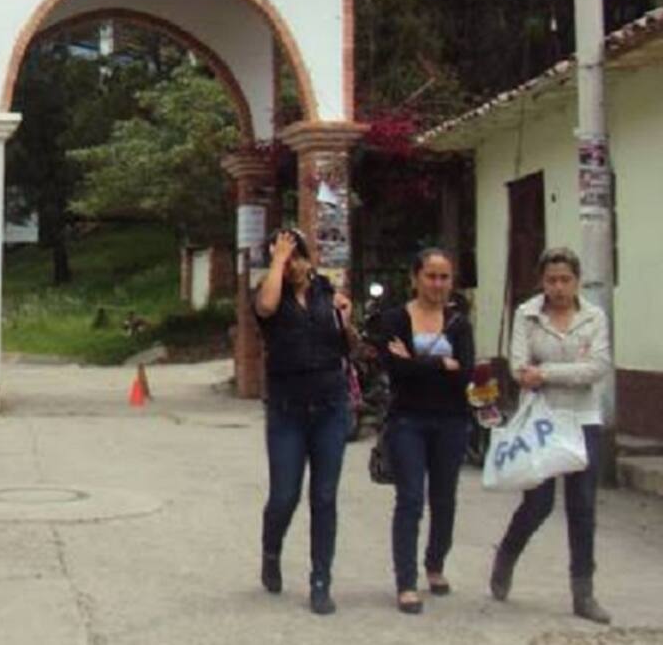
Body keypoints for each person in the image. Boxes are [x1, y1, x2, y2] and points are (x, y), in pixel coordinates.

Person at [489, 247, 612, 624]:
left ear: (577, 282)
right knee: (538, 503)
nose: (558, 288)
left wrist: (545, 373)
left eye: (565, 280)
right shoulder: (528, 314)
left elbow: (597, 368)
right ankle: (507, 554)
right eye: (551, 280)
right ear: (542, 281)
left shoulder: (593, 316)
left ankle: (583, 591)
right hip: (541, 420)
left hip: (583, 418)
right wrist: (547, 373)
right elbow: (519, 368)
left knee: (582, 505)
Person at [254, 228, 355, 615]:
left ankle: (320, 580)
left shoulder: (326, 294)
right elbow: (266, 307)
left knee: (325, 496)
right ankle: (271, 550)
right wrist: (277, 260)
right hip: (287, 409)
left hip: (330, 405)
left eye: (298, 256)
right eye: (285, 257)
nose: (293, 264)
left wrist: (346, 320)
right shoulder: (269, 294)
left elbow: (349, 345)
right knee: (285, 494)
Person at [378, 248, 474, 614]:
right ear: (415, 278)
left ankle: (435, 564)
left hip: (452, 420)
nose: (437, 284)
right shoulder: (395, 319)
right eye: (431, 276)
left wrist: (417, 362)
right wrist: (440, 364)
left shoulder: (459, 323)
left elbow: (465, 372)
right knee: (410, 499)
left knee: (444, 498)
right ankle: (406, 581)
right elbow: (396, 370)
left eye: (444, 277)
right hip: (408, 420)